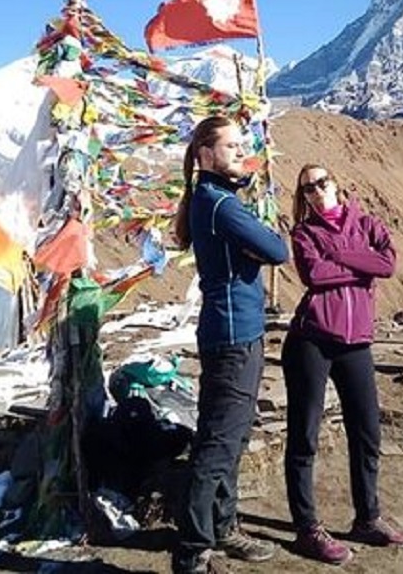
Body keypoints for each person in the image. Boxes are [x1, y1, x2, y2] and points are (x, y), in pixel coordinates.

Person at [171, 116, 290, 574]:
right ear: (205, 154)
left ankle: (223, 526)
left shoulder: (215, 199)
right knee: (218, 444)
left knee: (231, 435)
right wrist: (256, 247)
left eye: (243, 145)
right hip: (233, 336)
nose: (241, 152)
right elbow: (278, 251)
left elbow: (265, 249)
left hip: (235, 332)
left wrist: (254, 247)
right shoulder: (221, 204)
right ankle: (192, 551)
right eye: (231, 146)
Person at [283, 164, 403, 565]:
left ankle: (367, 518)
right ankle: (307, 528)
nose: (317, 191)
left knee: (367, 430)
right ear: (303, 196)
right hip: (312, 341)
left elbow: (388, 263)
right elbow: (315, 276)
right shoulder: (304, 233)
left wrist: (339, 253)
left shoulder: (366, 223)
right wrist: (360, 262)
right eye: (308, 188)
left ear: (337, 184)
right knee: (305, 435)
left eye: (322, 182)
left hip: (356, 342)